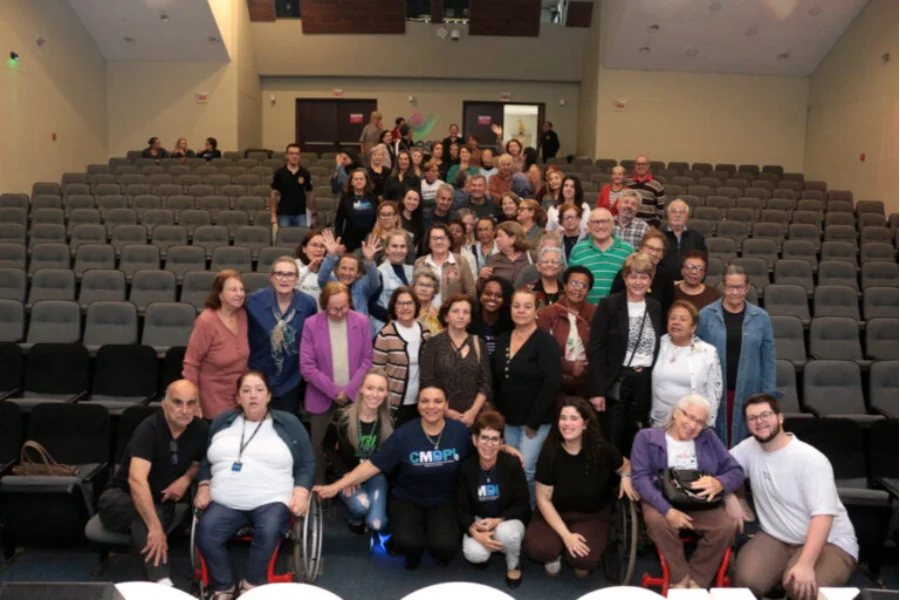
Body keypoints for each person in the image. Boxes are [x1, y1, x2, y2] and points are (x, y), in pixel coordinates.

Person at [314, 384, 470, 570]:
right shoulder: (404, 434)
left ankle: (434, 538)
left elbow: (482, 452)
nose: (431, 406)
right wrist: (336, 486)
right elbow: (373, 465)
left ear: (446, 405)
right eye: (425, 401)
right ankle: (411, 548)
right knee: (408, 544)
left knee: (445, 547)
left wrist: (506, 448)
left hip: (444, 498)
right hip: (408, 497)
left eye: (438, 401)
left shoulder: (459, 432)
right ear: (418, 405)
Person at [194, 371, 315, 599]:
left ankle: (252, 585)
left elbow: (307, 462)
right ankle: (224, 586)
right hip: (225, 501)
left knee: (269, 530)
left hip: (271, 499)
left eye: (259, 390)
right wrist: (203, 484)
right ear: (238, 398)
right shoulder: (223, 422)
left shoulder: (288, 423)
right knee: (206, 532)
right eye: (246, 391)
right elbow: (206, 461)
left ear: (268, 396)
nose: (253, 396)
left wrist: (300, 491)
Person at [729, 394, 859, 598]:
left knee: (801, 588)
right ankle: (783, 573)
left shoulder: (810, 459)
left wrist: (806, 564)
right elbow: (721, 469)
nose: (759, 422)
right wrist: (733, 499)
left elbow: (823, 517)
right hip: (777, 536)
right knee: (746, 581)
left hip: (829, 542)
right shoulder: (748, 448)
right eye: (752, 418)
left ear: (780, 418)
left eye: (765, 415)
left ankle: (794, 573)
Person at [97, 380, 207, 587]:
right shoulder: (148, 429)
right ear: (164, 404)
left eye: (191, 403)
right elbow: (136, 480)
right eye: (177, 403)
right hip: (119, 500)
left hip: (162, 502)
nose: (184, 410)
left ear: (197, 407)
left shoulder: (200, 429)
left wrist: (185, 479)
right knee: (148, 520)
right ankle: (162, 581)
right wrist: (156, 528)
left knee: (145, 521)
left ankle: (150, 586)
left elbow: (198, 463)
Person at [631, 394, 744, 590]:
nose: (693, 426)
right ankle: (680, 577)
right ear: (676, 413)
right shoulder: (646, 437)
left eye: (700, 422)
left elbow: (735, 471)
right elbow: (640, 478)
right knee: (658, 523)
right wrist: (668, 511)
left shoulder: (708, 438)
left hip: (699, 501)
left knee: (725, 527)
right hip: (661, 498)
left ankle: (698, 579)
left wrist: (720, 483)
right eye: (689, 417)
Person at [523, 398, 637, 577]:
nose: (567, 423)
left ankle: (569, 552)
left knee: (583, 562)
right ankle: (556, 552)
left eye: (573, 418)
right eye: (563, 418)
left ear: (585, 424)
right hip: (554, 513)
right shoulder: (549, 452)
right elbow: (543, 499)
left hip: (591, 516)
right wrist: (566, 536)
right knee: (539, 549)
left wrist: (626, 477)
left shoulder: (602, 449)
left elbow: (626, 466)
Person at [588, 253, 663, 454]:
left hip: (645, 382)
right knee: (612, 436)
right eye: (633, 276)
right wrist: (597, 390)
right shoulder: (609, 305)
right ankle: (613, 484)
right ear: (625, 278)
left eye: (644, 277)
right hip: (617, 380)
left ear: (651, 279)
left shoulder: (655, 307)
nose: (638, 282)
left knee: (639, 435)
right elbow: (596, 348)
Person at [299, 283, 374, 484]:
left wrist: (349, 391)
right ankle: (320, 489)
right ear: (324, 305)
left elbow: (367, 360)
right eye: (334, 308)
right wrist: (334, 392)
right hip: (320, 398)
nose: (340, 313)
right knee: (319, 447)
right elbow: (307, 366)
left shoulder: (362, 321)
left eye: (344, 307)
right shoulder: (311, 324)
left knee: (354, 445)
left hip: (355, 397)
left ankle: (352, 486)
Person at [493, 289, 562, 502]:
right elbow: (498, 380)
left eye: (527, 306)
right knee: (508, 469)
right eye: (516, 306)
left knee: (527, 469)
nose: (521, 311)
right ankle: (512, 513)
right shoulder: (503, 339)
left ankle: (532, 516)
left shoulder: (545, 342)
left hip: (535, 421)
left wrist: (534, 421)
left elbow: (552, 383)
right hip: (508, 420)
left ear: (537, 311)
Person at [698, 266, 777, 448]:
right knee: (714, 441)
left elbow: (768, 359)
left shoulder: (761, 317)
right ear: (723, 287)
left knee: (747, 442)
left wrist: (768, 394)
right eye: (731, 287)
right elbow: (697, 355)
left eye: (740, 287)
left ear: (747, 287)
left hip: (749, 390)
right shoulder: (706, 315)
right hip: (714, 391)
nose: (735, 292)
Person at [457, 411, 530, 589]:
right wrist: (476, 534)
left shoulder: (512, 465)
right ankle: (490, 546)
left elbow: (522, 504)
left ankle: (513, 564)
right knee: (475, 555)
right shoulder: (466, 467)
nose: (489, 444)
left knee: (508, 534)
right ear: (475, 440)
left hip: (507, 519)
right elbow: (461, 507)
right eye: (484, 438)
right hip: (479, 521)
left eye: (495, 439)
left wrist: (498, 520)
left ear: (501, 442)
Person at [323, 369, 394, 537]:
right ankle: (354, 518)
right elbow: (327, 447)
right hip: (346, 472)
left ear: (386, 393)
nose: (374, 394)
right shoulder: (342, 417)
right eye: (370, 388)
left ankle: (369, 516)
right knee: (361, 506)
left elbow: (391, 457)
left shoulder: (390, 420)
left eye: (380, 389)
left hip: (375, 475)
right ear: (361, 389)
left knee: (377, 523)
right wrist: (346, 476)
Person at [246, 256, 317, 415]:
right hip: (259, 375)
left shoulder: (308, 304)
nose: (284, 279)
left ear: (297, 279)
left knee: (286, 426)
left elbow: (311, 340)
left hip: (291, 378)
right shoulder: (253, 301)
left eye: (290, 274)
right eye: (279, 274)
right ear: (271, 277)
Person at [183, 270, 249, 419]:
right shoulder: (206, 321)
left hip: (238, 398)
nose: (240, 294)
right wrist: (193, 401)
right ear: (220, 295)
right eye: (233, 290)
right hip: (212, 399)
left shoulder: (243, 315)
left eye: (241, 289)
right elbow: (191, 364)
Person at [420, 295, 491, 427]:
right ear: (446, 316)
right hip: (439, 415)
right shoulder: (433, 344)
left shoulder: (478, 343)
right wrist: (446, 411)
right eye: (456, 311)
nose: (461, 316)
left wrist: (473, 412)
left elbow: (486, 383)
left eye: (465, 312)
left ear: (470, 318)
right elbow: (427, 380)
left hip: (472, 418)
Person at [651, 300, 722, 428]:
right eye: (673, 318)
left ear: (693, 327)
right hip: (659, 420)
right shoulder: (658, 343)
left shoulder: (708, 352)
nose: (676, 322)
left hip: (691, 423)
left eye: (683, 319)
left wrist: (708, 424)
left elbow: (714, 392)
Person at [373, 287, 430, 426]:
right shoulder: (385, 335)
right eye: (400, 303)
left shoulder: (425, 331)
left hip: (421, 403)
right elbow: (377, 372)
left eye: (409, 303)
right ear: (393, 307)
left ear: (416, 305)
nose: (405, 307)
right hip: (394, 404)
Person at [537, 265, 596, 399]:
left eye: (583, 285)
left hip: (587, 384)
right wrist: (570, 367)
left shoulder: (596, 313)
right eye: (573, 283)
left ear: (588, 290)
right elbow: (542, 350)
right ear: (564, 286)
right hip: (557, 383)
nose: (577, 288)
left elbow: (601, 348)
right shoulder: (548, 313)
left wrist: (587, 367)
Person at [568, 207, 634, 304]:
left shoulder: (627, 250)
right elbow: (570, 282)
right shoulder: (578, 250)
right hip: (584, 312)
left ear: (612, 225)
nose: (600, 226)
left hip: (617, 311)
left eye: (605, 221)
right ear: (588, 226)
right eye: (595, 222)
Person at [610, 229, 675, 315]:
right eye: (650, 248)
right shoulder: (626, 272)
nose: (654, 253)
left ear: (662, 255)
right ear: (641, 248)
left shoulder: (666, 277)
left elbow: (668, 309)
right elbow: (613, 303)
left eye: (658, 250)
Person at [317, 230, 380, 318]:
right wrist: (331, 255)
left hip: (358, 329)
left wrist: (369, 261)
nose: (347, 273)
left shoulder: (362, 286)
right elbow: (322, 279)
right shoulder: (332, 284)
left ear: (358, 273)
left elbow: (375, 283)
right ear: (337, 270)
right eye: (343, 268)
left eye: (351, 269)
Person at [414, 223, 476, 307]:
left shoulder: (461, 261)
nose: (439, 242)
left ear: (449, 241)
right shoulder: (420, 263)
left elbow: (471, 292)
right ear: (429, 243)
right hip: (425, 315)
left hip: (453, 315)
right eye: (435, 238)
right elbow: (414, 292)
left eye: (442, 238)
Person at [370, 230, 415, 333]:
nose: (398, 250)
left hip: (408, 326)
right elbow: (371, 305)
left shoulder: (412, 270)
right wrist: (394, 319)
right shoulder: (379, 272)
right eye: (394, 246)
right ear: (386, 249)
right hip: (384, 328)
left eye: (402, 246)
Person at [269, 144, 314, 228]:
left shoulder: (305, 173)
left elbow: (309, 194)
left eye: (297, 154)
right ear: (286, 156)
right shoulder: (279, 173)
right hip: (284, 213)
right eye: (291, 153)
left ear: (300, 156)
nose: (294, 156)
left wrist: (312, 213)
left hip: (301, 213)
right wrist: (273, 214)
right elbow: (273, 194)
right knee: (284, 237)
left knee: (302, 238)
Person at [468, 275, 514, 359]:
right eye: (488, 294)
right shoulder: (469, 320)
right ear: (480, 295)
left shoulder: (511, 323)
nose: (492, 298)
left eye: (498, 295)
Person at [661, 199, 708, 280]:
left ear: (687, 216)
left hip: (689, 285)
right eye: (674, 211)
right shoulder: (659, 236)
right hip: (662, 285)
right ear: (668, 214)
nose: (677, 215)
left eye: (682, 212)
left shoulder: (696, 237)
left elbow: (703, 264)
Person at [334, 168, 378, 253]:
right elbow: (339, 220)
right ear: (351, 182)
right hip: (350, 240)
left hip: (369, 239)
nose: (359, 181)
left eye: (361, 179)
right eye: (356, 179)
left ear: (366, 181)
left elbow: (377, 219)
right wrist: (339, 241)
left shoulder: (373, 197)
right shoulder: (346, 198)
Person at [481, 221, 535, 288]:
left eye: (500, 236)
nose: (496, 240)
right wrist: (481, 277)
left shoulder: (532, 257)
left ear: (512, 239)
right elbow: (483, 288)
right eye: (496, 236)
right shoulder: (494, 259)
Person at [519, 246, 564, 311]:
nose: (550, 264)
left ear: (560, 267)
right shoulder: (527, 290)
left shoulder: (567, 291)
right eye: (545, 262)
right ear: (538, 266)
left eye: (554, 262)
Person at [626, 154, 666, 228]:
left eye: (643, 164)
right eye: (638, 164)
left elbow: (661, 208)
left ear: (648, 166)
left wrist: (654, 224)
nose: (641, 166)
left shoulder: (657, 184)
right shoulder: (627, 182)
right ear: (635, 166)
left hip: (649, 226)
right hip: (629, 224)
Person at [294, 229, 327, 307]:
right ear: (304, 249)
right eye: (314, 245)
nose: (318, 250)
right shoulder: (294, 265)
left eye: (322, 246)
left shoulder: (328, 270)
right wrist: (308, 268)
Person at [412, 269, 443, 335]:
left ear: (435, 290)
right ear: (413, 287)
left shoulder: (440, 316)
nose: (424, 289)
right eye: (421, 284)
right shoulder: (403, 312)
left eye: (429, 286)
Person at [400, 187, 425, 253]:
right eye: (409, 198)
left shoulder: (419, 221)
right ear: (403, 200)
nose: (412, 202)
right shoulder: (395, 217)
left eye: (415, 199)